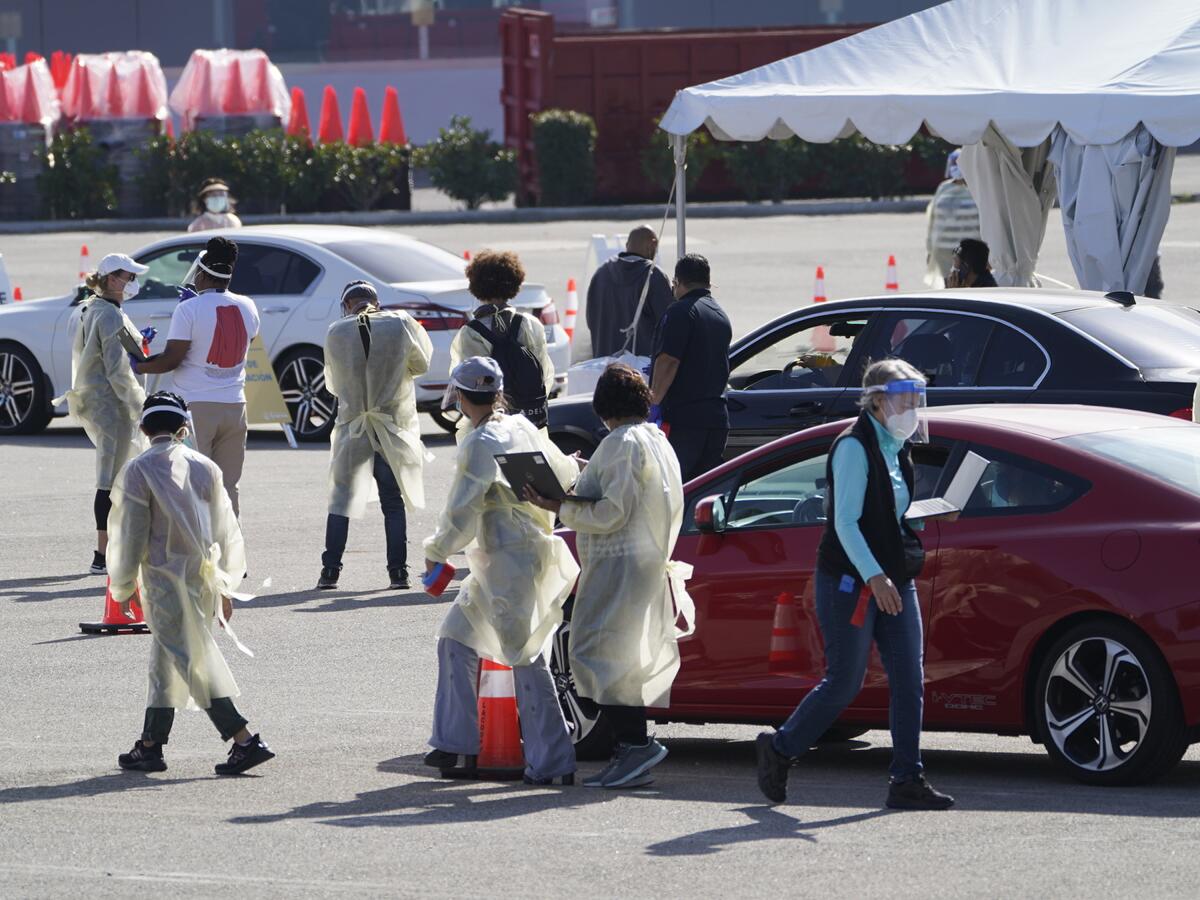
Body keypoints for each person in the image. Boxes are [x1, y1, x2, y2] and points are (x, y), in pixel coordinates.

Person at [754, 359, 955, 810]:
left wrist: (927, 514)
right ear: (879, 400)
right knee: (844, 682)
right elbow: (844, 522)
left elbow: (888, 510)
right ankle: (780, 748)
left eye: (918, 397)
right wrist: (874, 576)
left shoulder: (897, 442)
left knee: (909, 679)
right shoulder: (853, 447)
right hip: (850, 579)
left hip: (890, 577)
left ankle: (907, 779)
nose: (915, 406)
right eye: (907, 397)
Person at [524, 363, 695, 789]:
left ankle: (636, 745)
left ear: (604, 408)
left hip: (619, 563)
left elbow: (611, 511)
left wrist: (557, 505)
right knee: (620, 658)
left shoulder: (620, 443)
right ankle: (631, 748)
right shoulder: (656, 439)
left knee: (596, 654)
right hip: (644, 560)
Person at [423, 357, 579, 786]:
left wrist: (436, 552)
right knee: (455, 640)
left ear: (459, 395)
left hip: (511, 562)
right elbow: (564, 470)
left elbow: (461, 511)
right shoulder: (521, 427)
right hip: (503, 560)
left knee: (527, 658)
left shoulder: (479, 442)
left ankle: (553, 762)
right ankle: (455, 744)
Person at [108, 391, 274, 776]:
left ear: (144, 428)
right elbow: (228, 532)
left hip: (165, 581)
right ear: (184, 427)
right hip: (203, 580)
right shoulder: (206, 467)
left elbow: (130, 534)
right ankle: (150, 744)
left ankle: (243, 738)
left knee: (191, 661)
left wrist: (123, 583)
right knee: (167, 661)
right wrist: (226, 587)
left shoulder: (138, 470)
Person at [317, 281, 433, 591]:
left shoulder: (336, 332)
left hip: (352, 428)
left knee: (341, 499)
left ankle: (330, 572)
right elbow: (421, 365)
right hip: (391, 426)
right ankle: (398, 573)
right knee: (392, 503)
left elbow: (333, 382)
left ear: (347, 304)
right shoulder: (400, 325)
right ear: (376, 302)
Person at [137, 237, 260, 516]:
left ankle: (195, 554)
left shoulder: (188, 309)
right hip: (234, 406)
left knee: (192, 486)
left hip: (195, 409)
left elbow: (171, 360)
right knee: (228, 487)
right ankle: (230, 555)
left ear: (201, 274)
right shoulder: (248, 306)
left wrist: (140, 365)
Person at [56, 253, 150, 575]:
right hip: (112, 406)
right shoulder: (108, 314)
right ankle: (102, 554)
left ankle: (112, 549)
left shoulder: (99, 307)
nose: (133, 283)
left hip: (104, 403)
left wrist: (140, 344)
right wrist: (141, 406)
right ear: (112, 279)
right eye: (129, 277)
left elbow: (119, 347)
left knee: (113, 475)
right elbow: (117, 370)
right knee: (109, 479)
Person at [649, 253, 732, 482]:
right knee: (705, 488)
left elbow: (668, 361)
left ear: (677, 282)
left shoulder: (680, 311)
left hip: (685, 421)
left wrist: (653, 403)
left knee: (675, 486)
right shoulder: (719, 314)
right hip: (716, 420)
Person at [449, 250, 553, 431]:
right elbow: (544, 372)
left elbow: (467, 384)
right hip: (530, 421)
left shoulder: (471, 332)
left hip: (490, 424)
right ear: (515, 283)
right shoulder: (530, 324)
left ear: (475, 285)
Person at [585, 225, 673, 358]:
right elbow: (670, 326)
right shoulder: (653, 275)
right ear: (653, 244)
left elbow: (591, 320)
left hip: (605, 368)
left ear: (627, 245)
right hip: (641, 372)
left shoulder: (601, 273)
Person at [924, 149, 981, 287]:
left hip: (956, 253)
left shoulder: (945, 188)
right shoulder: (976, 188)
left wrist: (931, 250)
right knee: (960, 290)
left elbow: (932, 221)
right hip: (954, 253)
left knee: (957, 289)